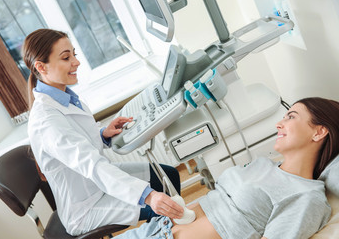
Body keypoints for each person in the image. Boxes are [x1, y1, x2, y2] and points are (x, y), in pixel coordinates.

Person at [23, 28, 184, 236]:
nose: (76, 62)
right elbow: (92, 165)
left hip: (96, 186)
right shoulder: (46, 120)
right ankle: (170, 230)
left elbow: (78, 145)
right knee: (159, 205)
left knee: (169, 176)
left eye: (74, 54)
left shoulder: (65, 97)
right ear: (41, 67)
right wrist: (148, 196)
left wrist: (102, 135)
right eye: (66, 57)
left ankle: (175, 228)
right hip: (85, 208)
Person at [113, 97, 339, 239]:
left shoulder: (307, 197)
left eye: (291, 116)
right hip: (155, 229)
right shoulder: (264, 164)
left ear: (319, 132)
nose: (279, 123)